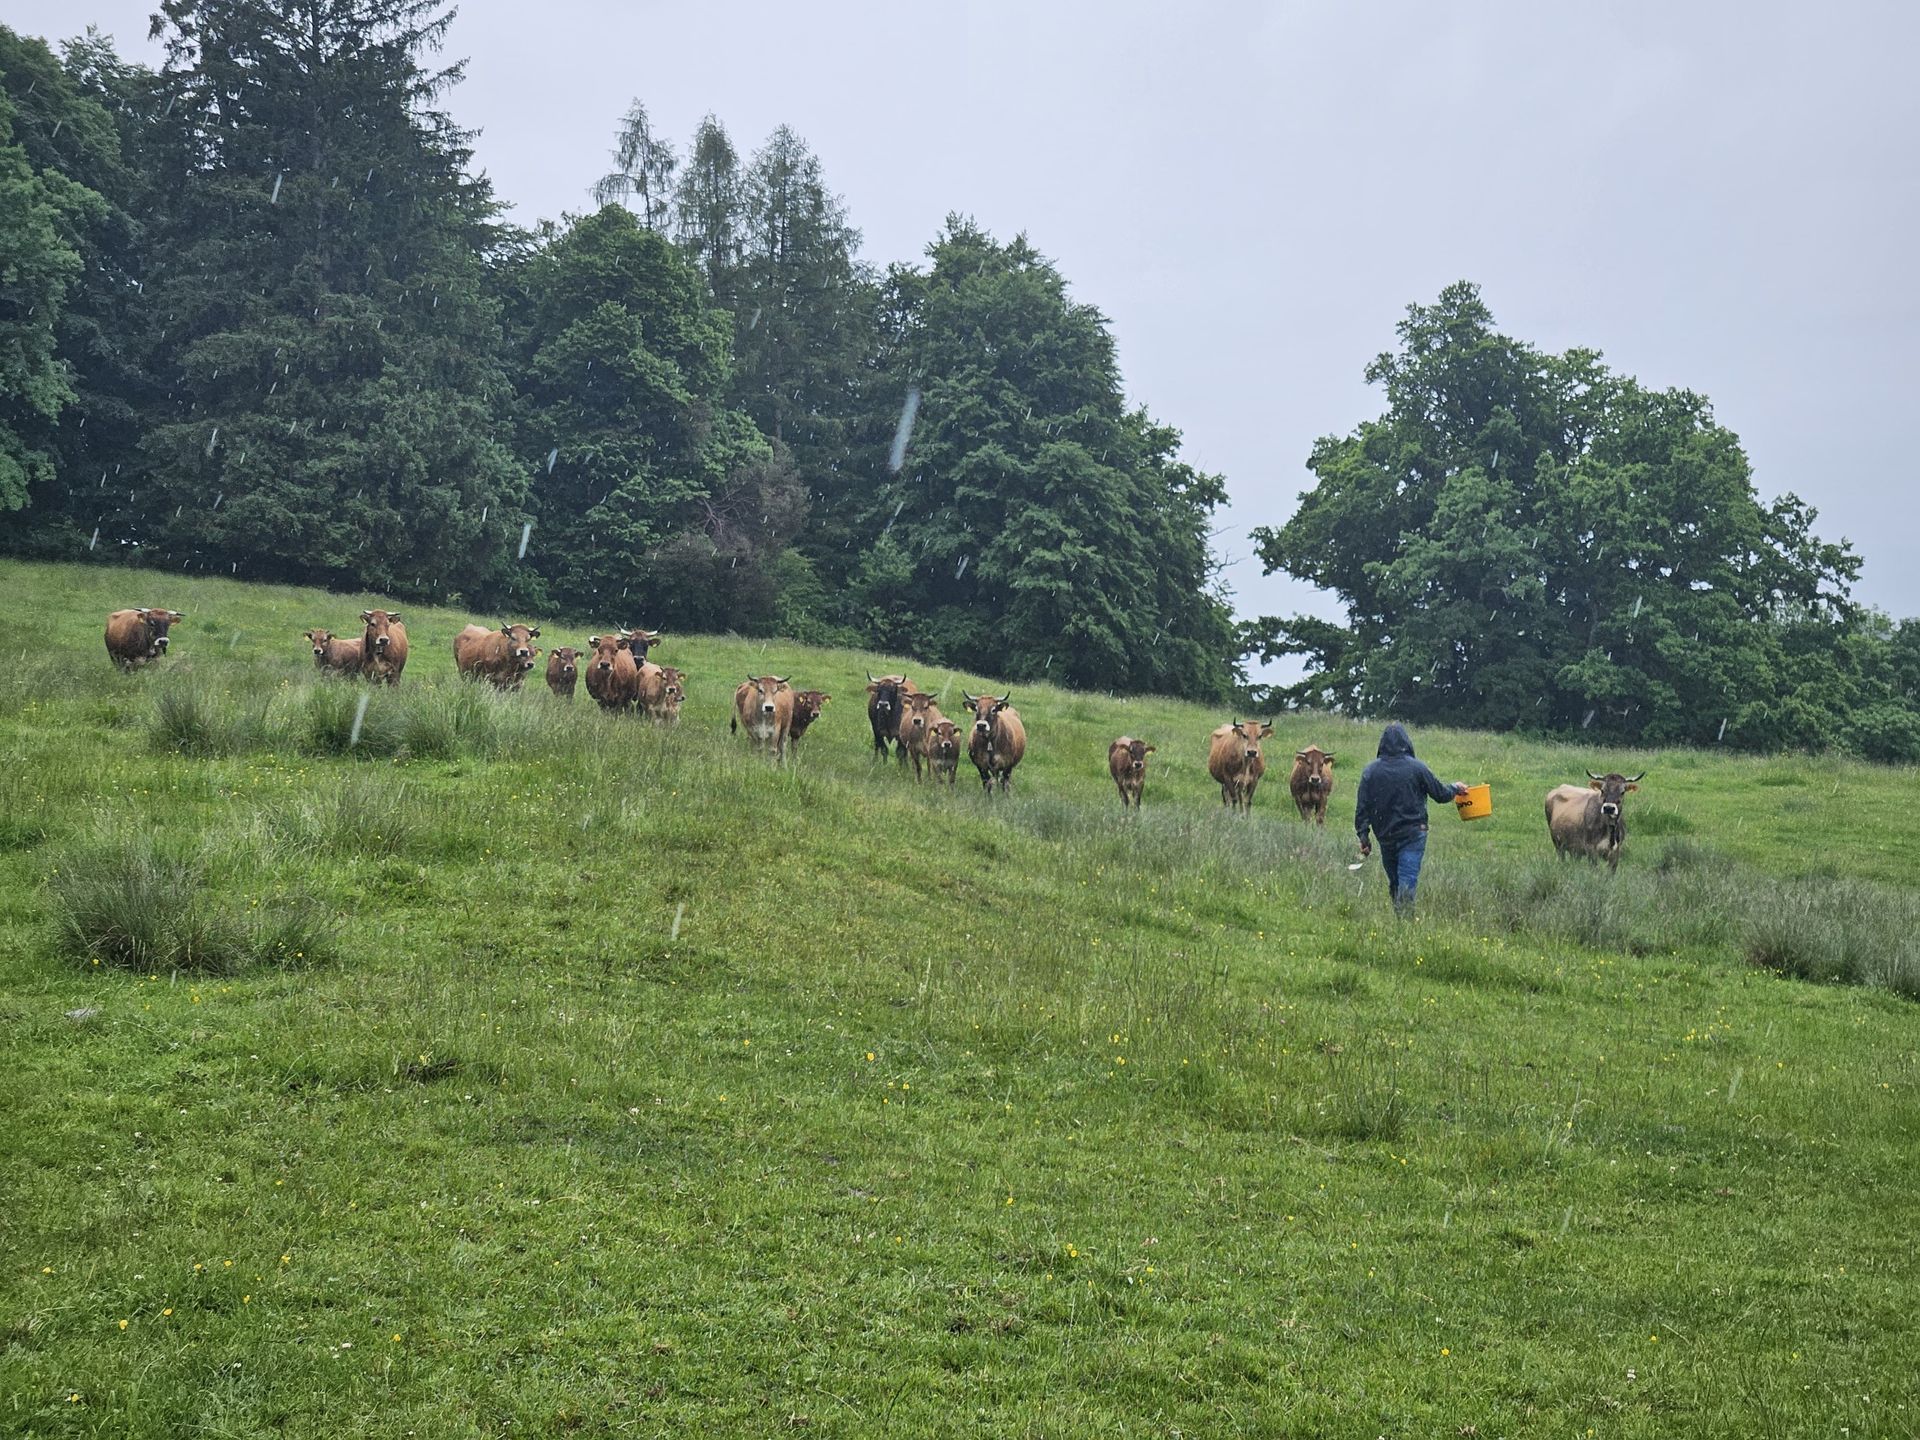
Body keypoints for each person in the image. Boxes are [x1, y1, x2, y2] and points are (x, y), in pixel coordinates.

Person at [1353, 723, 1469, 916]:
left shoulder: (1370, 771)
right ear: (1407, 743)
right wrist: (1455, 787)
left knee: (1395, 882)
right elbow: (1440, 794)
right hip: (1413, 833)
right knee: (1406, 879)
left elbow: (1362, 808)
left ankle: (1403, 923)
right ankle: (1404, 923)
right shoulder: (1417, 768)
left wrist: (1363, 837)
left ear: (1381, 745)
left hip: (1385, 835)